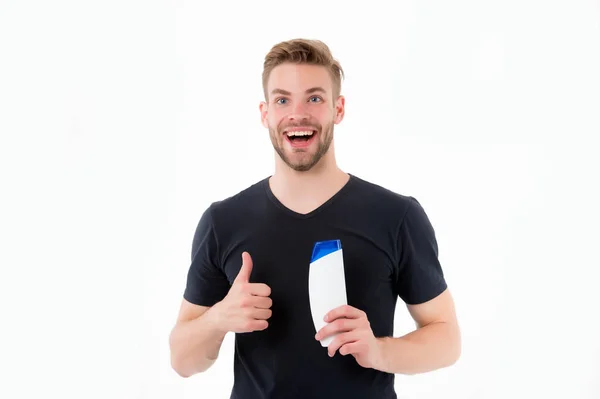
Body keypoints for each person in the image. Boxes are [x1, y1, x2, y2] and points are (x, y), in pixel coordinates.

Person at [169, 38, 461, 398]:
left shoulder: (396, 216)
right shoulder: (223, 222)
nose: (298, 113)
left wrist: (380, 351)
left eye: (314, 98)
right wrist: (219, 319)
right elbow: (182, 360)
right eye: (282, 100)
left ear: (338, 109)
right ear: (265, 114)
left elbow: (447, 338)